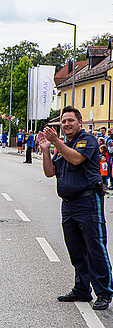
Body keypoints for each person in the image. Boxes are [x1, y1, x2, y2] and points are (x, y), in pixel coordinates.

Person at [38, 105, 113, 310]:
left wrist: (55, 142)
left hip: (88, 202)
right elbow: (49, 172)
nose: (66, 124)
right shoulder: (63, 146)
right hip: (69, 205)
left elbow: (77, 159)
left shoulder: (86, 141)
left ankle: (104, 292)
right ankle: (81, 289)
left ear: (79, 122)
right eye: (63, 121)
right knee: (76, 250)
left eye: (70, 120)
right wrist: (46, 150)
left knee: (95, 247)